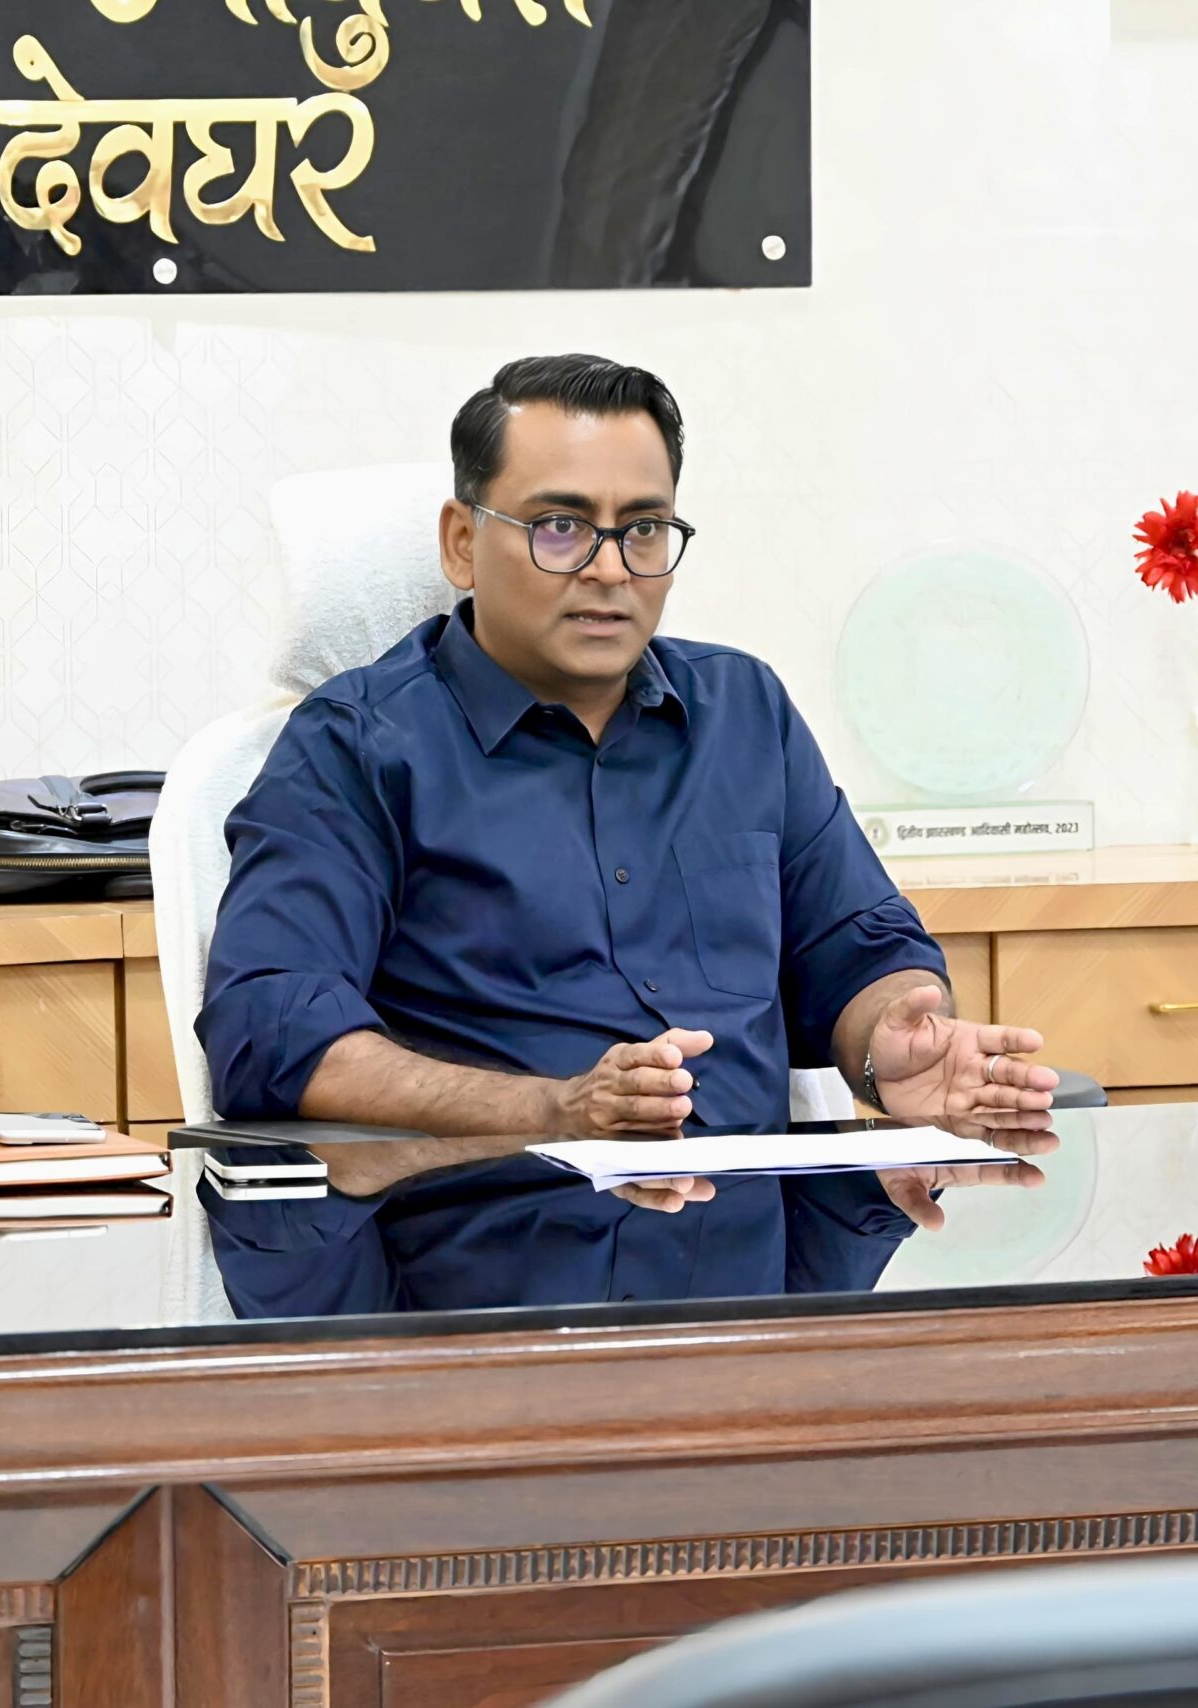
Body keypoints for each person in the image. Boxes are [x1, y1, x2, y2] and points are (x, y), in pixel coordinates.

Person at [196, 354, 1058, 1316]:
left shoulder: (745, 713)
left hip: (740, 1297)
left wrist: (888, 1038)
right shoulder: (357, 744)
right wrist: (553, 1109)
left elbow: (859, 950)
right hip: (478, 1282)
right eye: (561, 527)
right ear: (461, 543)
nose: (609, 569)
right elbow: (272, 1031)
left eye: (643, 529)